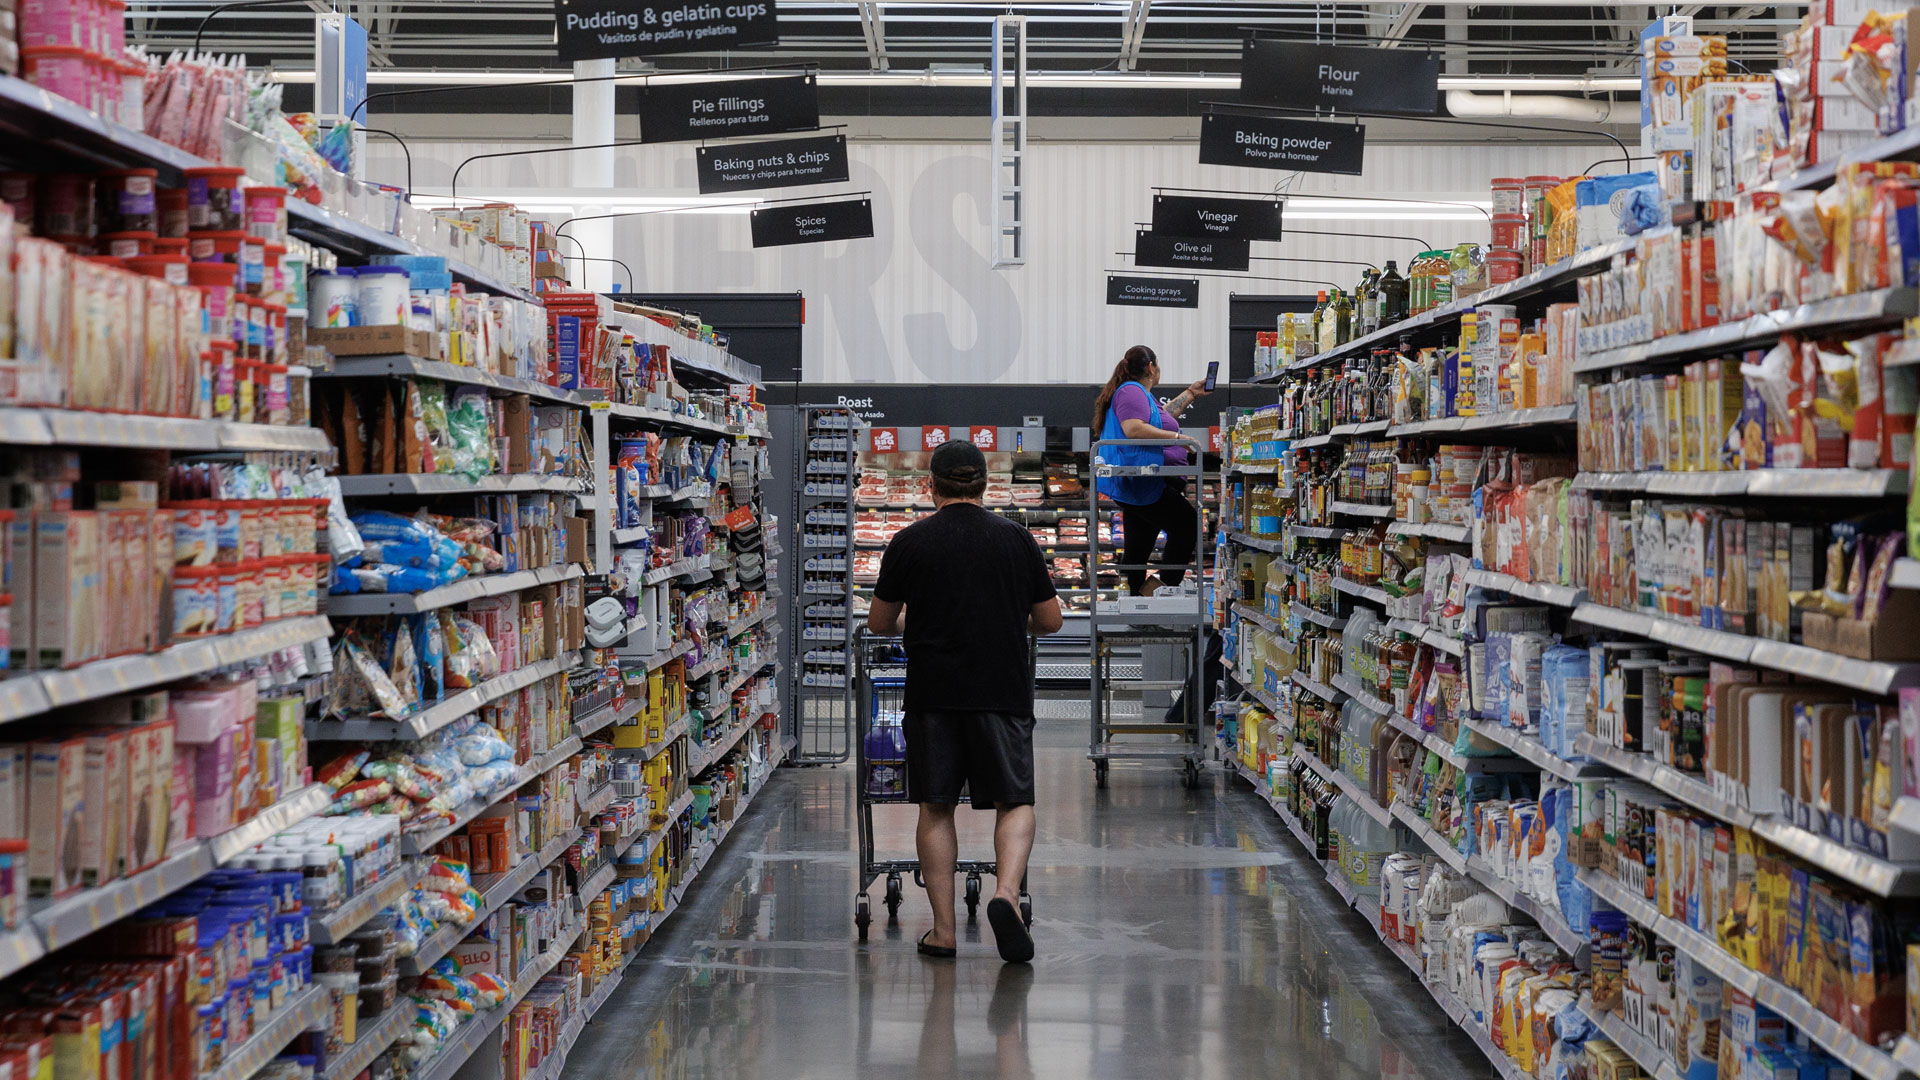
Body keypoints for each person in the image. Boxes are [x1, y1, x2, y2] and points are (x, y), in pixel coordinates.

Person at [868, 440, 1063, 963]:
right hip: (1002, 690)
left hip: (933, 694)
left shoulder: (908, 541)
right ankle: (1005, 895)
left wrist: (921, 621)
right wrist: (1001, 620)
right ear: (983, 484)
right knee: (1014, 800)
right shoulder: (1017, 540)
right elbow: (1050, 621)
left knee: (935, 807)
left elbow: (880, 623)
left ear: (931, 486)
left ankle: (944, 931)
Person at [1092, 345, 1212, 595]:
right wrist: (1180, 438)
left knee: (1139, 545)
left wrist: (1191, 393)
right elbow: (1134, 429)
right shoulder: (1131, 391)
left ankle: (1134, 597)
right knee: (1188, 525)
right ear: (1151, 367)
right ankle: (1161, 588)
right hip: (1144, 481)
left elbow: (1161, 418)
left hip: (1141, 483)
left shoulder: (1138, 394)